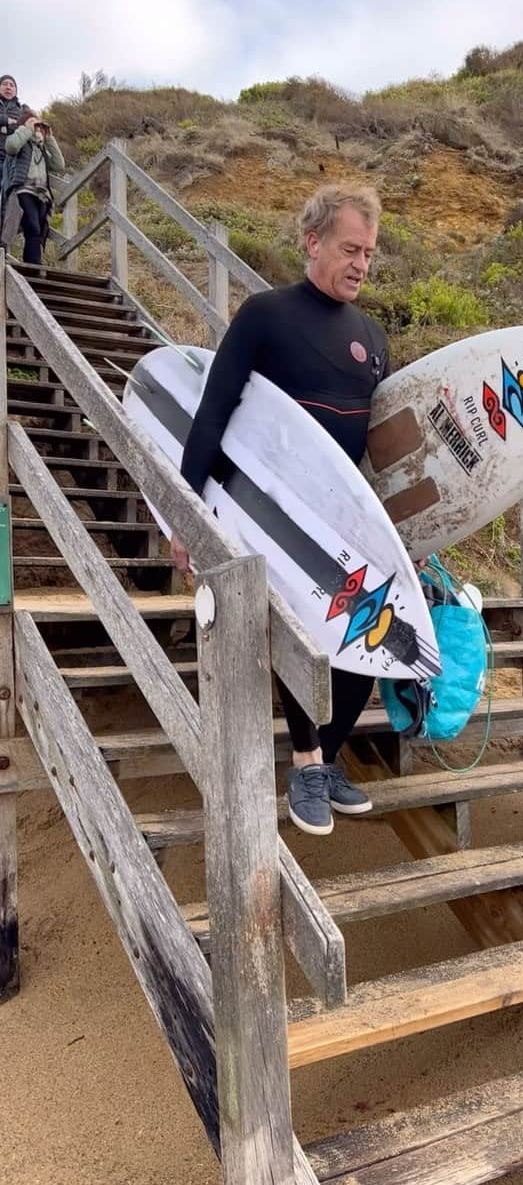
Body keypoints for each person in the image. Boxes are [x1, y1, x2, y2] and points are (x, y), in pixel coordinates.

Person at [173, 184, 388, 836]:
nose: (360, 263)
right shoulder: (265, 316)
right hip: (266, 513)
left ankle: (328, 756)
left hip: (342, 521)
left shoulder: (372, 336)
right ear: (313, 242)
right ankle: (306, 762)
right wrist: (186, 517)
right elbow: (212, 413)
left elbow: (384, 447)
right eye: (350, 248)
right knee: (303, 635)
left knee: (370, 637)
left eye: (370, 253)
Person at [1, 111, 65, 264]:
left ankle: (33, 265)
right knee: (33, 227)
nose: (36, 128)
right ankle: (33, 266)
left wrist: (49, 138)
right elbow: (11, 147)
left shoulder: (41, 149)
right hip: (23, 190)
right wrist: (27, 128)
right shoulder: (19, 141)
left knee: (38, 232)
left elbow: (59, 165)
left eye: (38, 126)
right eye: (33, 124)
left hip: (42, 194)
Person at [0, 75, 28, 166]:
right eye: (4, 84)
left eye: (12, 85)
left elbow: (28, 128)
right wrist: (7, 120)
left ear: (16, 91)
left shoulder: (22, 110)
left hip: (14, 160)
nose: (8, 87)